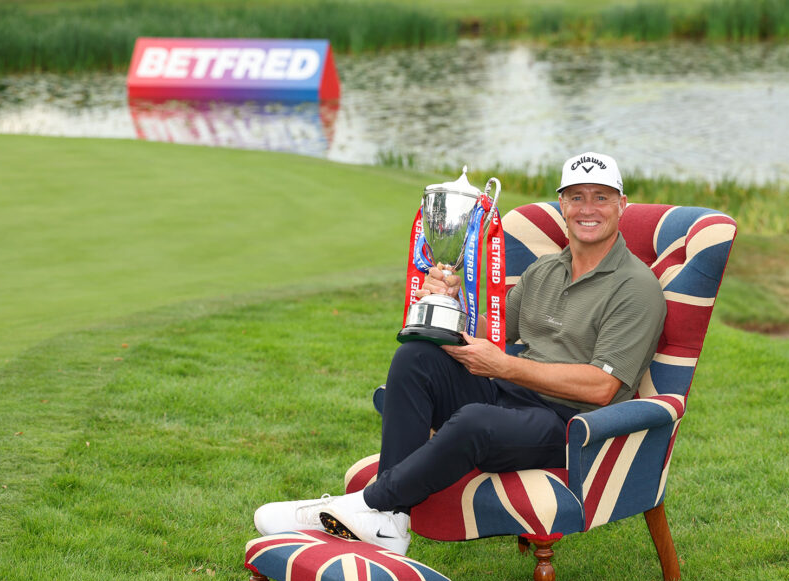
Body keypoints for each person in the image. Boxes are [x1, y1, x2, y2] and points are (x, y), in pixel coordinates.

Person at [254, 152, 667, 555]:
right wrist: (453, 303)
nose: (587, 209)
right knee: (417, 355)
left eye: (601, 197)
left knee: (474, 420)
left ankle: (365, 505)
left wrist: (505, 366)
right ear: (562, 204)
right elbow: (496, 332)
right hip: (510, 394)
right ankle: (391, 523)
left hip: (570, 423)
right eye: (576, 197)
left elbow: (602, 387)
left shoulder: (635, 286)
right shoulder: (545, 270)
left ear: (621, 205)